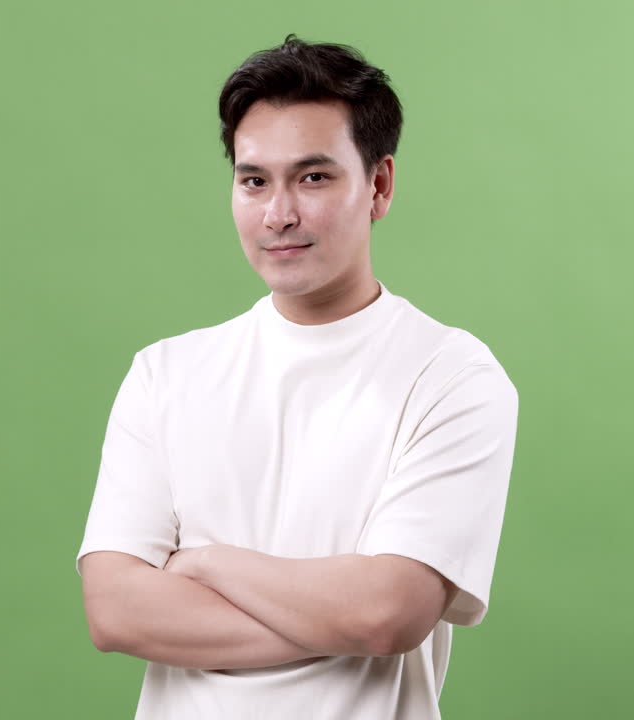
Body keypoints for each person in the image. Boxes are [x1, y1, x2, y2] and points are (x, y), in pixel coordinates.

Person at [75, 33, 520, 720]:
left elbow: (386, 615)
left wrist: (206, 564)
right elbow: (114, 611)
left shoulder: (451, 377)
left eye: (313, 177)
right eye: (255, 180)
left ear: (379, 185)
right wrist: (333, 615)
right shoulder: (165, 374)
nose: (279, 214)